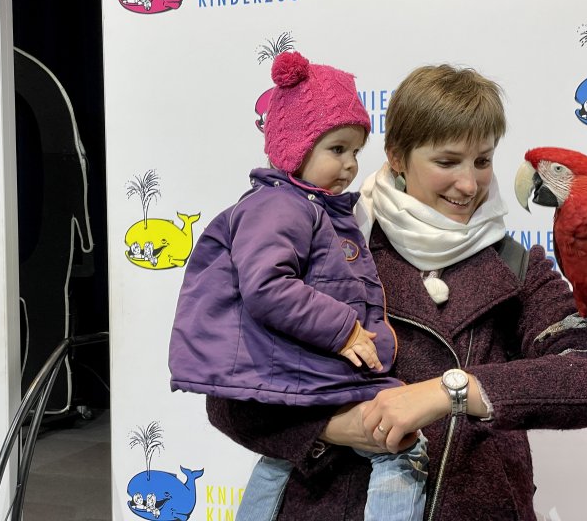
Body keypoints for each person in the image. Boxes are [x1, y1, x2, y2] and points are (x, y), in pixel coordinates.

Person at [204, 63, 587, 521]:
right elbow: (230, 397)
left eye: (483, 160)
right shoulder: (321, 246)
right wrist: (335, 427)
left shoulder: (516, 265)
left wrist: (453, 390)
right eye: (447, 162)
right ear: (397, 157)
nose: (469, 184)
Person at [168, 50, 428, 521]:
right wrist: (345, 330)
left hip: (302, 370)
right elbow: (266, 286)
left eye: (355, 151)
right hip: (300, 367)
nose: (350, 165)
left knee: (282, 458)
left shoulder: (316, 210)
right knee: (400, 447)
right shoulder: (280, 207)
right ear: (294, 146)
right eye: (336, 149)